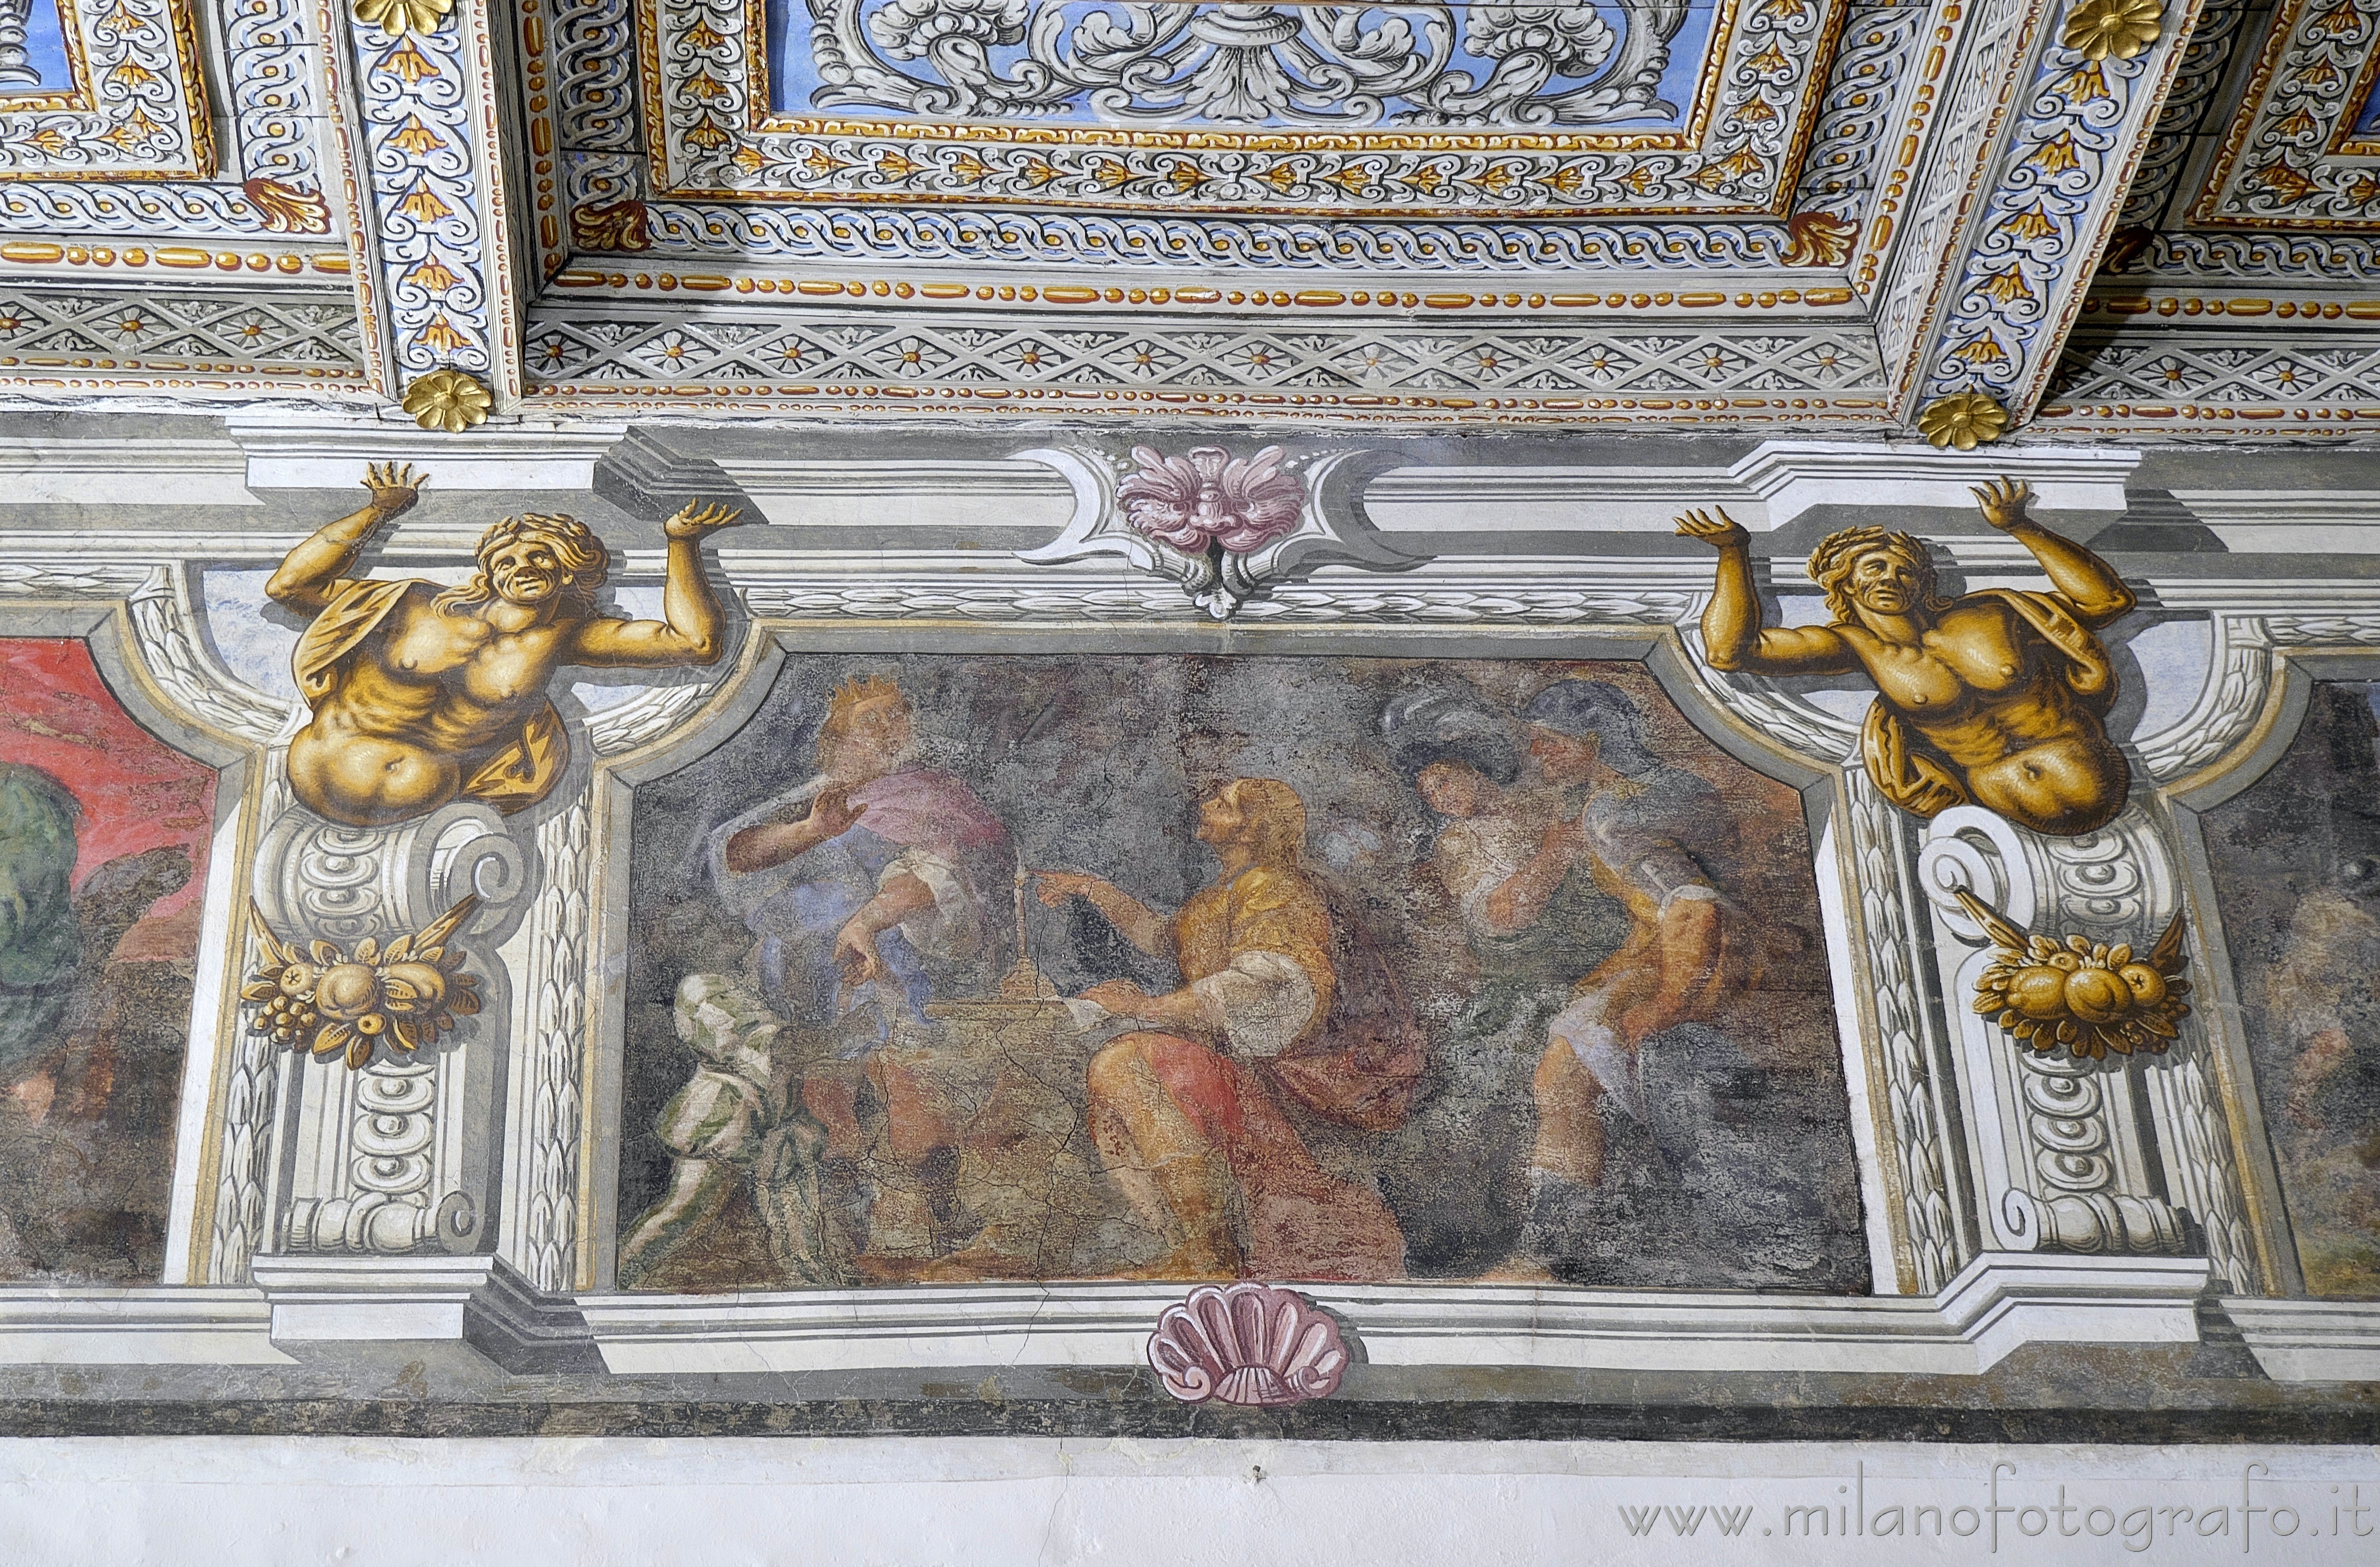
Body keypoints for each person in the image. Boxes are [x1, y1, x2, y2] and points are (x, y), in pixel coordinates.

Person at [1496, 679, 1860, 1289]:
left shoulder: (1619, 812)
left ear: (1593, 739)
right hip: (1677, 953)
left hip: (1714, 959)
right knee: (1563, 1069)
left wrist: (1669, 1001)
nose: (1537, 756)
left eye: (1547, 742)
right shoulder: (1630, 797)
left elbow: (1693, 903)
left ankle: (1774, 1251)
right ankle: (1546, 1253)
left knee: (1670, 1082)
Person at [1035, 778, 1406, 1282]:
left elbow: (1266, 985)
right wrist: (1090, 889)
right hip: (1237, 1067)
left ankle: (1209, 1253)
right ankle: (1186, 1247)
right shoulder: (1224, 894)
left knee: (1122, 1062)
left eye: (1224, 804)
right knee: (1108, 1069)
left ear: (1252, 828)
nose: (1207, 805)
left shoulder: (1277, 890)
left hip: (1284, 1083)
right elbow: (1161, 936)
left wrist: (1147, 1007)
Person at [713, 674, 1010, 1267]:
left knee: (906, 1089)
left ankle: (931, 1222)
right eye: (871, 719)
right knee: (828, 1103)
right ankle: (841, 1233)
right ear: (839, 742)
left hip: (896, 964)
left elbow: (944, 879)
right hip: (804, 974)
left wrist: (869, 923)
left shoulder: (932, 796)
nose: (890, 726)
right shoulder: (821, 798)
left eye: (897, 714)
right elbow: (736, 856)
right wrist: (808, 832)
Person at [265, 462, 746, 827]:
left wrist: (681, 543)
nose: (525, 566)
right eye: (508, 559)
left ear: (567, 570)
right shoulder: (413, 604)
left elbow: (696, 642)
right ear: (489, 571)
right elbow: (290, 586)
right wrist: (378, 511)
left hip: (433, 815)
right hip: (319, 767)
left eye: (542, 555)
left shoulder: (564, 639)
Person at [1678, 477, 2137, 837]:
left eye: (1906, 571)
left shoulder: (1987, 615)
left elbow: (2106, 602)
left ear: (1923, 583)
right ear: (1846, 583)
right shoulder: (1856, 649)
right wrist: (1733, 551)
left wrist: (2019, 526)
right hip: (2000, 811)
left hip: (2090, 771)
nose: (1892, 579)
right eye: (1875, 568)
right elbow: (1729, 651)